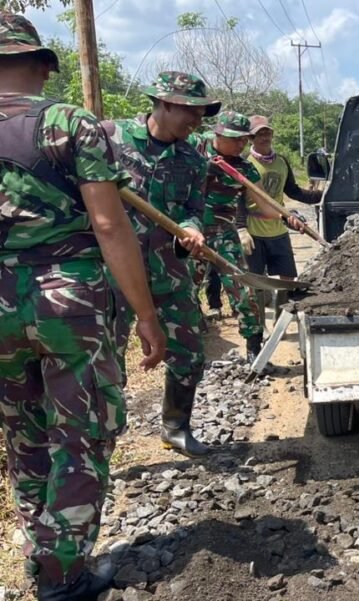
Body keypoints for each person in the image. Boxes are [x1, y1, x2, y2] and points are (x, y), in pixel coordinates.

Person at [0, 13, 166, 599]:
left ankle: (40, 552)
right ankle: (63, 573)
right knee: (82, 434)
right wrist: (145, 314)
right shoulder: (68, 122)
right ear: (44, 66)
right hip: (67, 301)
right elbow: (109, 224)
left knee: (25, 434)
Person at [106, 71, 217, 458]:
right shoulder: (111, 139)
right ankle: (103, 441)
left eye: (201, 115)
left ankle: (175, 427)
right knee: (105, 360)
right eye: (191, 112)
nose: (197, 122)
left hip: (169, 271)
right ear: (165, 104)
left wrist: (192, 228)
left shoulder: (192, 160)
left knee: (190, 353)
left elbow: (194, 209)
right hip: (113, 274)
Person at [190, 111, 285, 361]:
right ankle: (189, 350)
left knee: (244, 289)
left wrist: (287, 217)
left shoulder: (245, 168)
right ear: (218, 134)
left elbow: (264, 204)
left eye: (244, 139)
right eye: (235, 139)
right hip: (189, 229)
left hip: (223, 232)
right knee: (184, 288)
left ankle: (254, 348)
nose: (241, 144)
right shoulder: (195, 146)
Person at [244, 115, 321, 284]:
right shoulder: (245, 163)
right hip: (254, 231)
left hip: (278, 230)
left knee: (288, 279)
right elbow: (238, 201)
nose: (265, 138)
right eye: (260, 134)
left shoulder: (281, 162)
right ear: (250, 138)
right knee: (256, 282)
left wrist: (321, 196)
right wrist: (241, 229)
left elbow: (293, 191)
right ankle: (260, 302)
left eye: (268, 133)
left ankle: (283, 302)